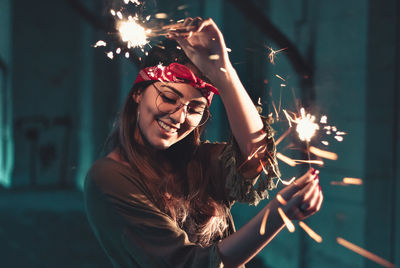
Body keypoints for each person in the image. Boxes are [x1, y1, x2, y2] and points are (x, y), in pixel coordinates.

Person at [84, 17, 323, 267]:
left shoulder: (198, 162)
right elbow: (189, 263)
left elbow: (257, 159)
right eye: (168, 97)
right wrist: (277, 214)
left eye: (195, 108)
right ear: (137, 94)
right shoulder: (108, 177)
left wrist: (224, 72)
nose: (179, 117)